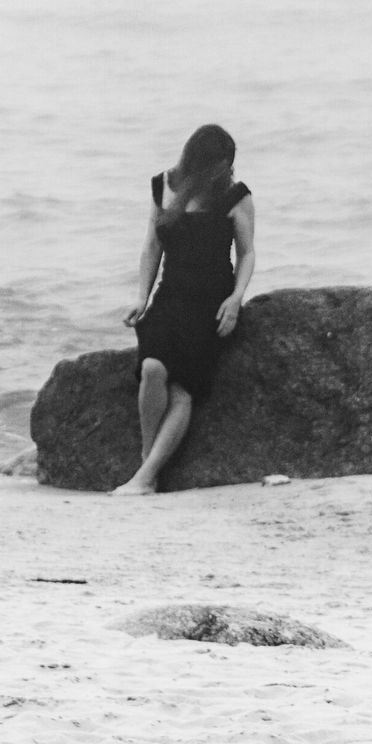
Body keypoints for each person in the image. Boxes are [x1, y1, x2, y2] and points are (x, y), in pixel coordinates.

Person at [115, 123, 256, 494]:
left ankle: (145, 477)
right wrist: (141, 296)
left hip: (210, 303)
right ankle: (147, 461)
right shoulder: (163, 186)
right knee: (151, 369)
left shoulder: (236, 196)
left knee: (181, 390)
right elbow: (151, 246)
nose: (227, 170)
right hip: (170, 296)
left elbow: (246, 253)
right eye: (221, 163)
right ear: (199, 160)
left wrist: (235, 299)